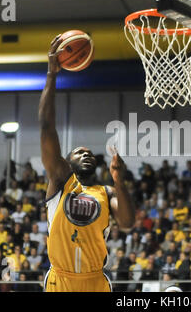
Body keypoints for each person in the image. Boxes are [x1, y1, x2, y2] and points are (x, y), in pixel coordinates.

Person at [39, 35, 135, 292]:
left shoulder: (107, 192)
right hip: (61, 280)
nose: (86, 154)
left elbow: (126, 223)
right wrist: (51, 74)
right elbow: (47, 127)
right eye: (79, 152)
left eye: (90, 153)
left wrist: (119, 181)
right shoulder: (61, 181)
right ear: (66, 162)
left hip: (95, 281)